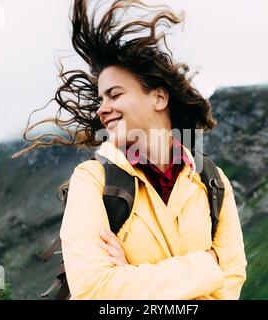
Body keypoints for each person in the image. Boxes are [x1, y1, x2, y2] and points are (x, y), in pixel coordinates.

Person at [13, 0, 247, 300]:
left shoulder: (212, 181)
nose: (103, 109)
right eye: (101, 99)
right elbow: (93, 289)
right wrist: (205, 268)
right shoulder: (92, 180)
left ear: (159, 98)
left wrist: (130, 277)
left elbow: (230, 288)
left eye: (115, 95)